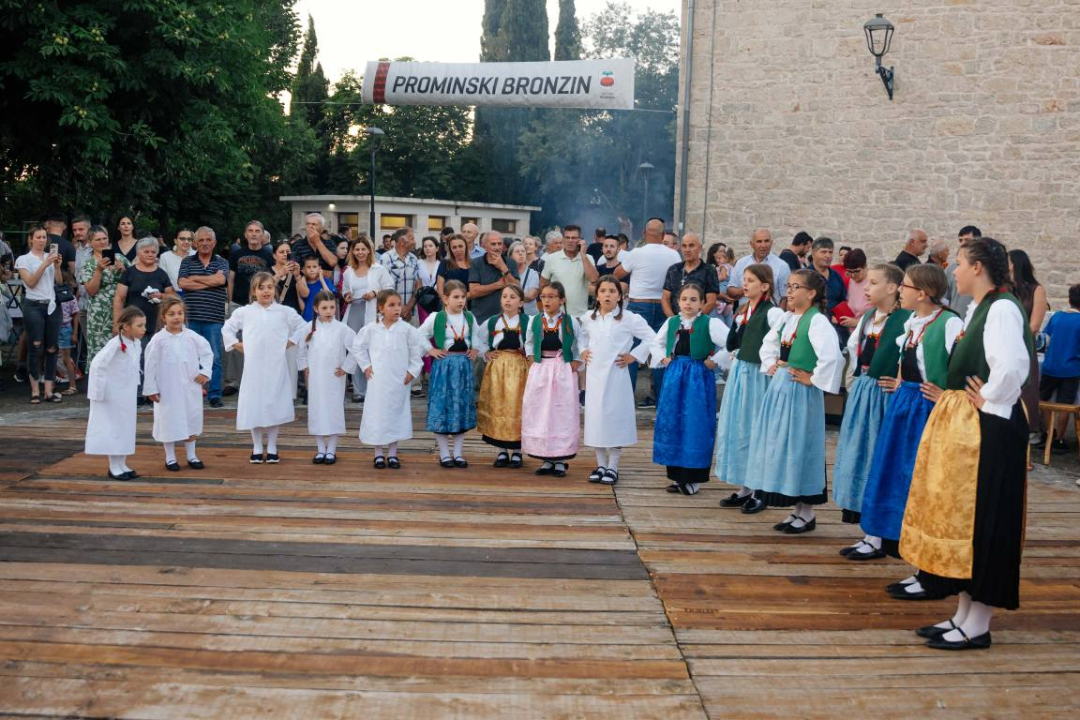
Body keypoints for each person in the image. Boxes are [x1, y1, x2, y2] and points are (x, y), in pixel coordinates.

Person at [900, 237, 1032, 650]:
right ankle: (963, 614)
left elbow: (1012, 366)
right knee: (967, 519)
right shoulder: (982, 308)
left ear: (977, 268)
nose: (953, 271)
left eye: (958, 264)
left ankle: (979, 624)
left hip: (992, 428)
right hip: (975, 425)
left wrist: (989, 398)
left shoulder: (1004, 308)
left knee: (988, 519)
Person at [860, 264, 961, 598]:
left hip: (929, 412)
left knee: (922, 484)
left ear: (922, 293)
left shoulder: (949, 323)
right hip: (906, 408)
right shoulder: (912, 323)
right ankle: (906, 555)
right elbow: (908, 364)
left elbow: (960, 368)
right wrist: (903, 383)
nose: (899, 290)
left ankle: (926, 569)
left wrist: (946, 395)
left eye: (904, 286)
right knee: (898, 478)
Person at [745, 269, 843, 534]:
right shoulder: (788, 318)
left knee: (800, 445)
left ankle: (807, 512)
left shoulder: (817, 321)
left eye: (795, 286)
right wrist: (772, 364)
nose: (789, 290)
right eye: (788, 285)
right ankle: (796, 509)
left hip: (801, 394)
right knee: (783, 446)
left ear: (811, 294)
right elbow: (768, 345)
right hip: (782, 388)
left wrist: (813, 378)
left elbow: (832, 357)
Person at [832, 264, 910, 557]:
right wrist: (853, 384)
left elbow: (911, 355)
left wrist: (901, 382)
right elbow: (853, 353)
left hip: (885, 396)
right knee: (860, 456)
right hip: (865, 392)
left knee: (879, 456)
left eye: (874, 282)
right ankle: (869, 532)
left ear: (892, 288)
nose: (866, 287)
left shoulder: (906, 319)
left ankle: (878, 534)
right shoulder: (866, 318)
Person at [715, 264, 785, 513]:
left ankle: (759, 489)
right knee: (739, 427)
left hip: (758, 376)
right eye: (744, 280)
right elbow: (733, 342)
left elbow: (777, 345)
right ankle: (745, 485)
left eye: (751, 280)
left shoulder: (773, 313)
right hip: (741, 374)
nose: (745, 284)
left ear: (765, 285)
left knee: (756, 428)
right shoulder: (744, 310)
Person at [650, 283, 730, 495]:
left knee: (695, 423)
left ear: (703, 303)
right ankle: (677, 476)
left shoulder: (709, 323)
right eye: (685, 299)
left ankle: (694, 479)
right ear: (678, 301)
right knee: (673, 421)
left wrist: (715, 360)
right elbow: (655, 344)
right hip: (675, 374)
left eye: (694, 299)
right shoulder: (672, 322)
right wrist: (665, 358)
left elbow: (732, 342)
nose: (688, 303)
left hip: (697, 376)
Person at [578, 276, 656, 485]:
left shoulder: (629, 318)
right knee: (596, 418)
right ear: (597, 295)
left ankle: (613, 466)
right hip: (595, 376)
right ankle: (600, 464)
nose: (607, 295)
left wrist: (634, 356)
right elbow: (581, 336)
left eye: (612, 291)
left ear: (620, 296)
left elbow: (652, 337)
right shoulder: (589, 318)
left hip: (616, 376)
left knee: (614, 418)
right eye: (603, 291)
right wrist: (583, 350)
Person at [223, 271, 307, 464]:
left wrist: (291, 341)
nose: (266, 291)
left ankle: (272, 446)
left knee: (274, 402)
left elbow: (303, 326)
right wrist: (237, 344)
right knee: (255, 403)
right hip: (254, 367)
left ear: (275, 290)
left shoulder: (284, 311)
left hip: (276, 366)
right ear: (254, 291)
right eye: (261, 288)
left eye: (270, 287)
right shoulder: (245, 312)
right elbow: (227, 328)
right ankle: (257, 446)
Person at [353, 289, 426, 468]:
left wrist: (412, 370)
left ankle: (393, 453)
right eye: (391, 305)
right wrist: (366, 365)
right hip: (378, 380)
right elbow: (358, 346)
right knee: (378, 415)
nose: (396, 309)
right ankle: (378, 453)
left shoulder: (406, 329)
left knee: (395, 413)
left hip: (399, 380)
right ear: (381, 308)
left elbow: (416, 351)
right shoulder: (372, 329)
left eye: (398, 305)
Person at [612, 218, 681, 405]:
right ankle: (662, 400)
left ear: (644, 233)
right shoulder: (674, 255)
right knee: (661, 352)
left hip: (639, 305)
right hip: (663, 305)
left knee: (633, 352)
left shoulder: (636, 253)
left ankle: (627, 399)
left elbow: (616, 275)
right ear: (662, 235)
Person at [143, 296, 213, 472]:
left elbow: (207, 352)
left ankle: (192, 455)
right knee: (169, 420)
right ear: (163, 317)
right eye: (172, 314)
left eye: (180, 313)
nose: (176, 317)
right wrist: (151, 388)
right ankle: (170, 457)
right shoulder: (158, 339)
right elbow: (149, 365)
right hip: (167, 388)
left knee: (191, 418)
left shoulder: (191, 336)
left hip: (190, 386)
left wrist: (205, 372)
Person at [522, 281, 582, 477]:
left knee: (561, 411)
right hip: (542, 368)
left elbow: (580, 341)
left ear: (562, 299)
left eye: (551, 296)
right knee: (542, 411)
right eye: (543, 296)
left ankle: (561, 459)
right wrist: (531, 358)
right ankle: (546, 458)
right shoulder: (535, 320)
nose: (546, 300)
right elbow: (529, 341)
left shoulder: (570, 321)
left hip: (562, 368)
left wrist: (576, 360)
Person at [419, 280, 479, 468]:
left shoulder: (469, 317)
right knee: (442, 406)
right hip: (444, 366)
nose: (460, 301)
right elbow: (418, 335)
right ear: (445, 299)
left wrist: (476, 349)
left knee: (461, 408)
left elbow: (478, 336)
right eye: (456, 297)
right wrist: (430, 350)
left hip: (463, 368)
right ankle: (445, 453)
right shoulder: (437, 317)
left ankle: (458, 453)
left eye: (463, 297)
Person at [295, 291, 357, 465]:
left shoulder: (342, 328)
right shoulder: (309, 327)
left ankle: (332, 449)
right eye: (324, 308)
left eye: (332, 307)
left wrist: (345, 367)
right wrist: (305, 366)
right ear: (316, 309)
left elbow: (356, 348)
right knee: (317, 409)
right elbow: (301, 349)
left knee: (334, 409)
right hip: (316, 377)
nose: (329, 311)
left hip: (334, 377)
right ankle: (320, 448)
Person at [84, 306, 146, 480]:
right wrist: (97, 392)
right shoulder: (115, 344)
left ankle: (122, 463)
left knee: (126, 427)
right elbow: (97, 365)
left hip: (126, 393)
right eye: (139, 326)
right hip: (112, 394)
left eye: (144, 325)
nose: (144, 329)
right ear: (126, 326)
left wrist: (137, 385)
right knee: (114, 428)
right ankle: (114, 466)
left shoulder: (136, 343)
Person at [476, 285, 531, 468]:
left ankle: (517, 451)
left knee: (517, 406)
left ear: (521, 302)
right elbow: (479, 340)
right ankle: (501, 451)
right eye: (505, 296)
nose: (508, 300)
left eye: (513, 297)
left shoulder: (528, 321)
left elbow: (534, 341)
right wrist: (486, 353)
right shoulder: (493, 322)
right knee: (498, 405)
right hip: (498, 367)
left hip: (520, 366)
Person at [178, 227, 230, 409]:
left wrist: (195, 280)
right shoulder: (187, 261)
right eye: (201, 240)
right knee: (190, 357)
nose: (205, 243)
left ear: (214, 243)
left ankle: (214, 394)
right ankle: (191, 392)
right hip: (192, 317)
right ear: (195, 243)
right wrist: (209, 280)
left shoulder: (222, 262)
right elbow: (182, 283)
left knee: (214, 357)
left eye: (209, 240)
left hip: (214, 318)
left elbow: (220, 281)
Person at [16, 225, 64, 403]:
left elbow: (58, 282)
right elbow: (30, 283)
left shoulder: (50, 258)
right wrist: (45, 264)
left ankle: (49, 391)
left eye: (44, 237)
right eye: (38, 237)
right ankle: (35, 390)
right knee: (35, 346)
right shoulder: (23, 259)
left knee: (52, 347)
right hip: (34, 305)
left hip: (52, 305)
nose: (42, 240)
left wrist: (57, 267)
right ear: (31, 239)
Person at [341, 236, 392, 402]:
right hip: (355, 311)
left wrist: (375, 294)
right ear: (353, 252)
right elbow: (345, 291)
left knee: (374, 350)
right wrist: (347, 295)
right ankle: (358, 390)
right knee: (357, 349)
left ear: (369, 250)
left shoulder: (378, 269)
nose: (360, 252)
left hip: (373, 312)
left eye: (363, 249)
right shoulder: (348, 271)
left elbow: (390, 288)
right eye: (357, 249)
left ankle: (374, 386)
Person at [1008, 249, 1048, 439]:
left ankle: (1025, 437)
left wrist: (1012, 335)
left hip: (1023, 346)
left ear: (1016, 264)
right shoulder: (1005, 289)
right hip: (1005, 346)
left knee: (1025, 391)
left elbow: (1034, 325)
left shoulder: (1036, 289)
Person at [1037, 284, 1080, 452]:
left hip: (1050, 366)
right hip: (1070, 369)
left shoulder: (1056, 317)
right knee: (1065, 404)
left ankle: (1049, 433)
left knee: (1044, 400)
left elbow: (1045, 338)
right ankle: (1059, 439)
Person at [79, 225, 131, 364]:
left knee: (122, 350)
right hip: (99, 313)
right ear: (90, 243)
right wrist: (99, 270)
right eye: (98, 239)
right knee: (100, 352)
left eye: (104, 238)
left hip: (121, 308)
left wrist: (124, 270)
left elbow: (134, 281)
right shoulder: (89, 264)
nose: (102, 242)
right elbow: (91, 291)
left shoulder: (119, 257)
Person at [115, 237, 175, 341]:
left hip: (157, 327)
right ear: (138, 254)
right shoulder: (129, 273)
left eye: (153, 252)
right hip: (133, 326)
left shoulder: (162, 274)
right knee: (136, 357)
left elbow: (173, 297)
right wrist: (117, 325)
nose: (150, 254)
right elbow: (119, 299)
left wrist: (161, 296)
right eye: (146, 251)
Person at [539, 225, 596, 319]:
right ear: (563, 239)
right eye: (567, 237)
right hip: (556, 315)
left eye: (574, 238)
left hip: (580, 315)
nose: (570, 241)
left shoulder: (588, 258)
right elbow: (542, 283)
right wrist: (549, 301)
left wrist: (583, 255)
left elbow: (594, 279)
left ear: (580, 240)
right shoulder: (552, 258)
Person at [727, 228, 791, 307]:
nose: (763, 245)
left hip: (769, 316)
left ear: (771, 243)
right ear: (751, 244)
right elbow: (730, 291)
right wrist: (751, 289)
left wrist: (779, 318)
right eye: (759, 241)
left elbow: (784, 298)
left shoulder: (782, 266)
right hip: (743, 316)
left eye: (766, 241)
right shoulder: (741, 263)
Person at [661, 232, 718, 318]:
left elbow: (711, 302)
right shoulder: (673, 269)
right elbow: (665, 299)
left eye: (691, 245)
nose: (687, 250)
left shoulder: (709, 270)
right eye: (684, 246)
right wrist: (673, 320)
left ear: (699, 248)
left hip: (698, 323)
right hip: (674, 321)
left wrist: (693, 321)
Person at [469, 231, 520, 323]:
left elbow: (516, 287)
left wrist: (503, 267)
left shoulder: (511, 263)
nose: (497, 247)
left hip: (506, 318)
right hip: (481, 318)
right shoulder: (476, 263)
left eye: (499, 244)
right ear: (484, 246)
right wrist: (499, 285)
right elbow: (474, 291)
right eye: (493, 244)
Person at [380, 227, 422, 325]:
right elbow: (382, 288)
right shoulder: (385, 258)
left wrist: (408, 307)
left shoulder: (414, 259)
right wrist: (397, 308)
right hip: (390, 315)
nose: (415, 242)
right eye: (412, 239)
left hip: (411, 314)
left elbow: (418, 285)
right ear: (403, 241)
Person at [807, 237, 847, 340]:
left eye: (830, 252)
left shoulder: (836, 276)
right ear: (813, 253)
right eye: (823, 252)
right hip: (811, 327)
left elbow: (843, 301)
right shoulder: (804, 276)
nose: (828, 256)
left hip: (836, 330)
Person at [946, 225, 981, 313]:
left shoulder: (985, 269)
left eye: (967, 240)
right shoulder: (951, 269)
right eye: (960, 240)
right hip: (956, 320)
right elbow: (944, 298)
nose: (962, 243)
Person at [56, 268, 80, 396]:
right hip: (57, 327)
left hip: (65, 327)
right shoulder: (51, 296)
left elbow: (75, 315)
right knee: (52, 357)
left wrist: (74, 333)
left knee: (66, 358)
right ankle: (52, 384)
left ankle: (73, 385)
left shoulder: (69, 297)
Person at [838, 249, 871, 327]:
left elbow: (881, 313)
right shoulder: (852, 281)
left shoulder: (872, 282)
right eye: (849, 271)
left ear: (865, 266)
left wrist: (858, 322)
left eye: (856, 271)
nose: (852, 275)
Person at [507, 240, 540, 315]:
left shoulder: (533, 273)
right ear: (510, 256)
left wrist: (509, 296)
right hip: (511, 316)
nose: (521, 253)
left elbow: (531, 296)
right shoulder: (506, 273)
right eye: (517, 251)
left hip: (529, 317)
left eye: (523, 251)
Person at [271, 240, 304, 314]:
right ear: (274, 255)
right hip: (274, 315)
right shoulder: (267, 272)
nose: (285, 254)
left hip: (293, 315)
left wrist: (297, 277)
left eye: (288, 252)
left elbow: (304, 294)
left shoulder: (297, 271)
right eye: (281, 252)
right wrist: (280, 274)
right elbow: (265, 287)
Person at [299, 256, 335, 321]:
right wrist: (302, 279)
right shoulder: (303, 284)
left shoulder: (325, 281)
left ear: (319, 268)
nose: (311, 270)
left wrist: (321, 280)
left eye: (314, 267)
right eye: (308, 267)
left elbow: (330, 296)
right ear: (304, 270)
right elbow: (302, 307)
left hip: (324, 319)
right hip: (308, 319)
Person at [437, 234, 472, 300]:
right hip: (449, 305)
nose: (458, 250)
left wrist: (460, 300)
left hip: (470, 306)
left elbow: (475, 290)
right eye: (454, 247)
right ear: (450, 249)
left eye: (460, 246)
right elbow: (440, 289)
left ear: (466, 246)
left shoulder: (474, 264)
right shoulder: (445, 263)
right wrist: (447, 302)